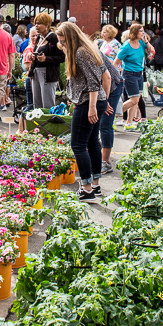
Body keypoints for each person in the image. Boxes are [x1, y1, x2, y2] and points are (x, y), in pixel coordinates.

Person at [56, 21, 108, 203]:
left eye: (63, 41)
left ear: (70, 39)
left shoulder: (80, 53)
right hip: (93, 100)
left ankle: (86, 188)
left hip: (88, 102)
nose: (61, 44)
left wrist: (92, 106)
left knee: (78, 145)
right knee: (93, 142)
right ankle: (95, 184)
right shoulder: (88, 49)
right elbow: (104, 75)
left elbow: (94, 81)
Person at [28, 12, 64, 110]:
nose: (36, 26)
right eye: (35, 23)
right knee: (37, 102)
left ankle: (48, 124)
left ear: (47, 24)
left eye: (39, 23)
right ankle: (38, 124)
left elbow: (62, 57)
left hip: (48, 74)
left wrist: (46, 59)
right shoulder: (39, 37)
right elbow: (36, 51)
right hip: (36, 72)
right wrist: (32, 56)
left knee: (47, 103)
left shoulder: (54, 38)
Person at [115, 23, 148, 130]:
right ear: (134, 33)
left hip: (139, 74)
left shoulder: (141, 44)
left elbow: (152, 51)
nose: (143, 33)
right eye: (141, 31)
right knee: (134, 100)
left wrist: (146, 41)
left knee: (136, 100)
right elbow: (116, 62)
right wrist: (115, 76)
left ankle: (129, 123)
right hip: (129, 74)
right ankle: (114, 111)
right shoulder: (126, 47)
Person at [97, 46, 123, 175]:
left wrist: (104, 101)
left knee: (105, 123)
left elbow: (107, 79)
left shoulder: (89, 53)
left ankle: (106, 162)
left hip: (112, 87)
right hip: (99, 88)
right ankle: (96, 156)